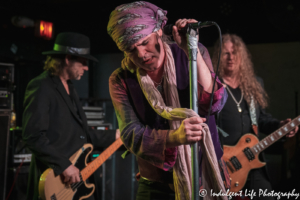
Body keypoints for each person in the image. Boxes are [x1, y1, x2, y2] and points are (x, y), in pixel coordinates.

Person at [107, 2, 230, 200]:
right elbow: (130, 134)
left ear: (158, 31)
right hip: (156, 185)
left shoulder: (190, 53)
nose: (141, 54)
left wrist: (191, 49)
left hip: (204, 177)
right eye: (131, 50)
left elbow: (214, 103)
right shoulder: (120, 79)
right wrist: (175, 137)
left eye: (144, 42)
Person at [22, 32, 120, 200]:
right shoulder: (41, 86)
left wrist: (114, 135)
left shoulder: (70, 88)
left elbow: (80, 134)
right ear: (67, 59)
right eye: (83, 62)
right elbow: (32, 135)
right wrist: (64, 165)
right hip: (54, 182)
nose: (86, 67)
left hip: (75, 184)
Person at [211, 34, 299, 199]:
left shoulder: (253, 84)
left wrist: (279, 125)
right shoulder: (214, 86)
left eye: (235, 52)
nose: (231, 57)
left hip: (253, 161)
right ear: (218, 56)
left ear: (242, 56)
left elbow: (261, 119)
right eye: (226, 53)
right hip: (225, 163)